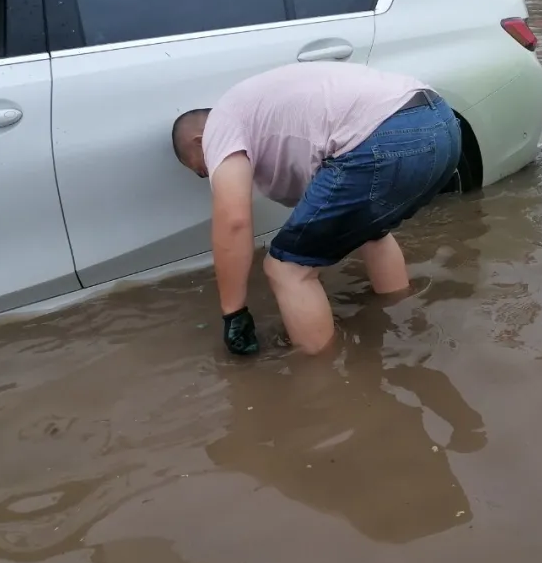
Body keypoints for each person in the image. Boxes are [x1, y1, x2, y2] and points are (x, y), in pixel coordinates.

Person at [172, 62, 461, 356]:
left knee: (286, 268)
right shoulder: (263, 116)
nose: (211, 174)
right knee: (371, 231)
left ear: (200, 142)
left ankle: (321, 381)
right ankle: (403, 318)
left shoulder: (220, 123)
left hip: (384, 136)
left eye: (201, 171)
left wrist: (233, 313)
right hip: (443, 124)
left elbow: (233, 221)